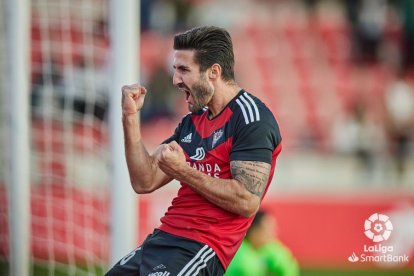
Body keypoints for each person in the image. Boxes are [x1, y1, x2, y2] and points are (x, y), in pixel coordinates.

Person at [106, 26, 282, 275]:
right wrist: (130, 117)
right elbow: (143, 181)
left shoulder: (252, 118)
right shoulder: (193, 120)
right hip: (162, 239)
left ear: (214, 72)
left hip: (201, 247)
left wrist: (183, 169)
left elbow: (246, 200)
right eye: (175, 69)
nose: (175, 80)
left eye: (184, 70)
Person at [225, 209, 300, 276]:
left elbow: (289, 268)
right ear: (254, 231)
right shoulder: (241, 258)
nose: (274, 233)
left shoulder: (266, 249)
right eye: (268, 229)